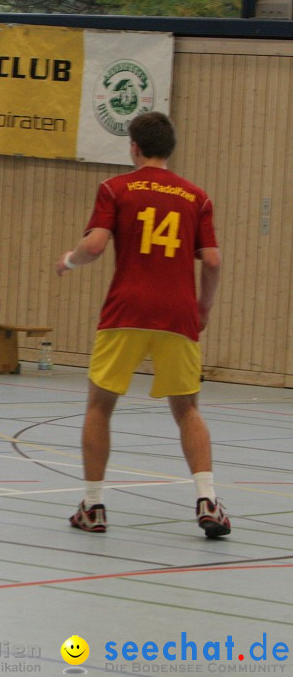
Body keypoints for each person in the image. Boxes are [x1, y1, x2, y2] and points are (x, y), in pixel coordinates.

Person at [56, 111, 229, 539]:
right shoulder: (197, 197)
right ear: (170, 149)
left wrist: (68, 261)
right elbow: (212, 260)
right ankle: (207, 499)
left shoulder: (115, 189)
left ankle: (93, 506)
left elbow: (94, 246)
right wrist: (203, 306)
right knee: (187, 409)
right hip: (177, 313)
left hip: (126, 310)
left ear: (134, 147)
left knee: (100, 405)